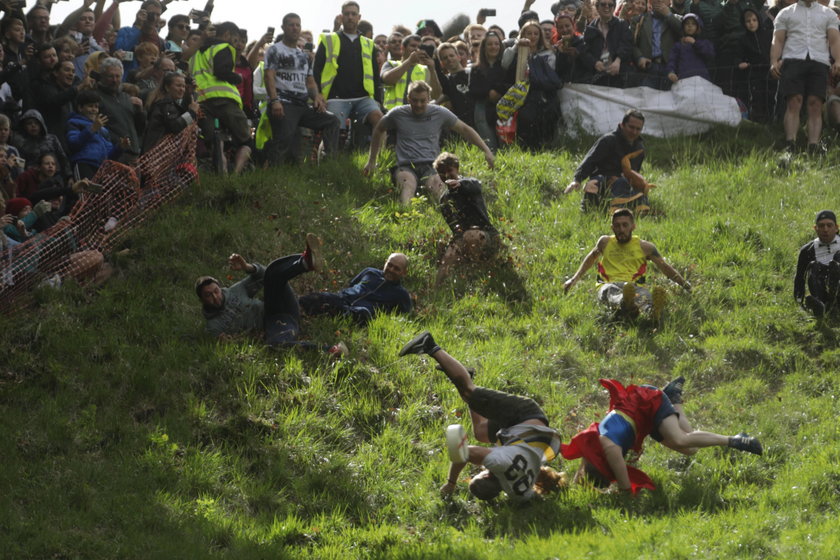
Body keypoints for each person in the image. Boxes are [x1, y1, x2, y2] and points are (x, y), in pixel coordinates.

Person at [398, 330, 565, 502]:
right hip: (525, 415)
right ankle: (429, 345)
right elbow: (463, 452)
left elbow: (532, 499)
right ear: (485, 477)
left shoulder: (517, 493)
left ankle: (464, 375)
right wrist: (451, 483)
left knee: (480, 432)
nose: (480, 470)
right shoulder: (497, 462)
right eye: (479, 474)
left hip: (530, 434)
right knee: (469, 392)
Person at [561, 377, 763, 493]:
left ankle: (736, 439)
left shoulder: (608, 446)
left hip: (648, 401)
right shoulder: (597, 450)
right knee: (690, 448)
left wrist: (625, 496)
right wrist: (578, 486)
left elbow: (623, 483)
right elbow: (583, 472)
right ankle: (673, 399)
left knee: (680, 439)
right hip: (645, 420)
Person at [195, 233, 345, 354]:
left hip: (277, 305)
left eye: (216, 291)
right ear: (202, 300)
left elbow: (262, 275)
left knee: (271, 273)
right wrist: (228, 342)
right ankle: (331, 350)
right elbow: (223, 343)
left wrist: (247, 267)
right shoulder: (213, 325)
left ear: (220, 288)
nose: (215, 297)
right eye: (209, 295)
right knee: (277, 344)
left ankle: (306, 262)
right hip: (274, 323)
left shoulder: (234, 291)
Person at [363, 80, 494, 206]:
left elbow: (465, 129)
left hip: (431, 165)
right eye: (414, 100)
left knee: (438, 187)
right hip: (405, 166)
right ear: (408, 98)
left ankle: (451, 216)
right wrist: (372, 161)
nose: (418, 104)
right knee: (407, 185)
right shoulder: (398, 113)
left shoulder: (439, 113)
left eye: (422, 101)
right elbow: (379, 129)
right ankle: (405, 217)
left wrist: (486, 150)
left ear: (429, 98)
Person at [563, 208, 691, 319]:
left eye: (625, 225)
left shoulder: (645, 247)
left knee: (643, 296)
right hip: (608, 284)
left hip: (634, 286)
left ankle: (652, 313)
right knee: (609, 292)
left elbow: (664, 267)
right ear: (612, 228)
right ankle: (626, 302)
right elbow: (590, 259)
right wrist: (573, 280)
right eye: (617, 226)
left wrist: (685, 285)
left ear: (633, 226)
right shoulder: (605, 242)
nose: (621, 229)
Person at [263, 13, 340, 166]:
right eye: (291, 25)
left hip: (303, 105)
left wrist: (317, 97)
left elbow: (310, 81)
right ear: (283, 27)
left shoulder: (303, 55)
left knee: (332, 120)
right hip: (284, 103)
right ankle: (271, 176)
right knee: (283, 142)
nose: (295, 28)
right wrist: (274, 101)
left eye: (298, 25)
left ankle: (329, 163)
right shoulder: (275, 50)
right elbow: (269, 76)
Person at [770, 0, 840, 154]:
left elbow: (834, 40)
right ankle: (790, 144)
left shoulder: (828, 13)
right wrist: (774, 61)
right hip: (792, 60)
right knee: (794, 102)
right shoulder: (785, 13)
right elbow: (778, 40)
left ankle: (813, 145)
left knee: (815, 104)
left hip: (819, 61)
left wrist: (839, 59)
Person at [313, 1, 384, 142]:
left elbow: (375, 76)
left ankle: (377, 160)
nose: (350, 17)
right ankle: (329, 160)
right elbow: (316, 69)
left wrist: (378, 100)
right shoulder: (328, 40)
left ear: (359, 17)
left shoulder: (369, 44)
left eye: (353, 14)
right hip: (336, 97)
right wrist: (318, 94)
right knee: (332, 130)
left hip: (363, 97)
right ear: (341, 16)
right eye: (347, 14)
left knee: (380, 119)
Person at [190, 21, 252, 174]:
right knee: (246, 138)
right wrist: (237, 78)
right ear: (227, 35)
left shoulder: (196, 53)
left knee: (216, 143)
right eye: (235, 39)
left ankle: (221, 174)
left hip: (202, 101)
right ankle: (235, 175)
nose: (236, 44)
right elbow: (221, 71)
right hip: (223, 99)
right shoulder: (224, 47)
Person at [564, 109, 653, 212]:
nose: (634, 132)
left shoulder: (639, 148)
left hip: (624, 183)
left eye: (638, 129)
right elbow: (590, 161)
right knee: (593, 184)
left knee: (636, 188)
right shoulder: (608, 141)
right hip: (603, 180)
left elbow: (634, 172)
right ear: (622, 125)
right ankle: (591, 210)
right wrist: (577, 180)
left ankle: (629, 210)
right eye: (631, 127)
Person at [432, 151, 500, 285]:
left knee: (471, 236)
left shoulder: (470, 184)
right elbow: (454, 227)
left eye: (449, 170)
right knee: (449, 254)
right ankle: (437, 289)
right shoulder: (445, 200)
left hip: (488, 235)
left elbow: (475, 184)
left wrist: (460, 185)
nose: (446, 175)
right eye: (441, 173)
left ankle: (478, 279)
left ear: (457, 168)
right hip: (465, 238)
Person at [298, 252, 412, 325]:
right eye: (390, 265)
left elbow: (404, 317)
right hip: (343, 298)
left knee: (362, 313)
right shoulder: (370, 272)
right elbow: (352, 285)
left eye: (397, 268)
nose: (391, 270)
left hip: (362, 312)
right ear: (385, 263)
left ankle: (328, 311)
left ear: (404, 273)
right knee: (318, 297)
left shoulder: (401, 294)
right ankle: (299, 309)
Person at [94, 57, 145, 164]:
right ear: (102, 76)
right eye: (110, 76)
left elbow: (140, 128)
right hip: (114, 155)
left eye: (117, 76)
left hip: (134, 155)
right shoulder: (95, 97)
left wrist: (140, 111)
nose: (114, 80)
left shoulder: (126, 98)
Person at [794, 210, 840, 318]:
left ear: (836, 227)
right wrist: (799, 302)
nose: (825, 229)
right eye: (821, 226)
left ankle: (835, 304)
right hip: (820, 288)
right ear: (815, 228)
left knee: (836, 264)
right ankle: (820, 305)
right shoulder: (807, 250)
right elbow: (800, 278)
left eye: (829, 225)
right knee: (814, 266)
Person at [631, 0, 683, 90]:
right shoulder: (639, 20)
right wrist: (639, 57)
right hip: (648, 67)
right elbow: (631, 43)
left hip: (670, 69)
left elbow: (683, 34)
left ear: (669, 2)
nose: (659, 1)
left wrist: (669, 15)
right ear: (651, 2)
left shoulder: (677, 19)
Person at [581, 0, 634, 87]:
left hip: (620, 74)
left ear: (614, 7)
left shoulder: (622, 24)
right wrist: (595, 63)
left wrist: (618, 61)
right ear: (597, 7)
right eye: (603, 4)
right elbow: (585, 51)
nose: (607, 7)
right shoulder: (590, 29)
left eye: (610, 5)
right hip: (597, 76)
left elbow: (627, 45)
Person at [142, 71, 199, 152]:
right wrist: (191, 113)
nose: (182, 89)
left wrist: (189, 94)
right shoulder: (165, 104)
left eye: (184, 86)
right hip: (156, 153)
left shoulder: (169, 103)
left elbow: (180, 114)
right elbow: (175, 126)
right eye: (178, 86)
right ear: (167, 87)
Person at [381, 34, 438, 112]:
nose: (416, 49)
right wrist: (409, 61)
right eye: (413, 46)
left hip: (417, 115)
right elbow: (388, 80)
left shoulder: (424, 69)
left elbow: (435, 95)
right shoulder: (391, 64)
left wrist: (432, 69)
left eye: (419, 47)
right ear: (403, 48)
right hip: (393, 113)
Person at [667, 13, 715, 84]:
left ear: (698, 27)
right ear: (683, 27)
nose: (690, 26)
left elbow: (710, 54)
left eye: (693, 24)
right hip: (683, 81)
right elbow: (672, 60)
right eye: (687, 23)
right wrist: (671, 72)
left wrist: (695, 43)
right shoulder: (678, 45)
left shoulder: (704, 42)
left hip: (702, 82)